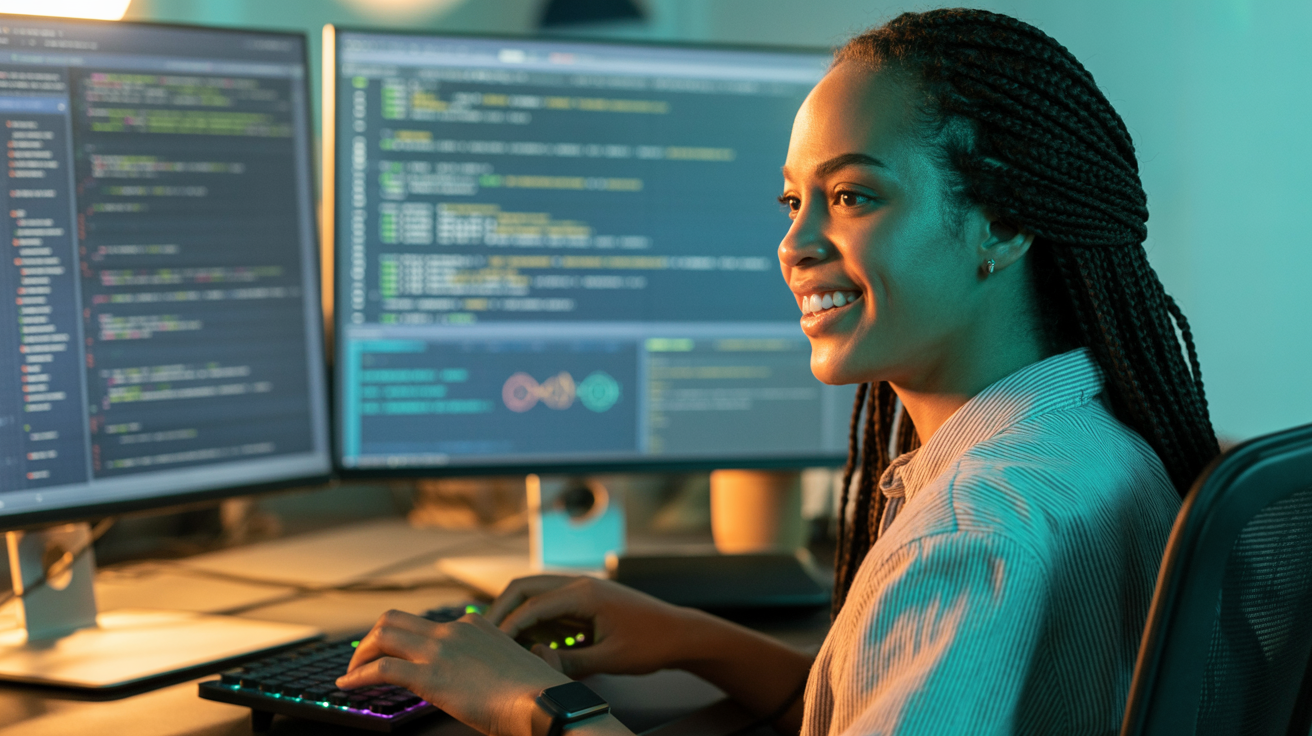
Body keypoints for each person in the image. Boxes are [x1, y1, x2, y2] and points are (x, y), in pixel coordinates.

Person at [336, 8, 1220, 736]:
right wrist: (694, 639)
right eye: (794, 201)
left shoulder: (970, 534)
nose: (794, 245)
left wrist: (535, 706)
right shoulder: (1082, 439)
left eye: (852, 196)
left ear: (1004, 225)